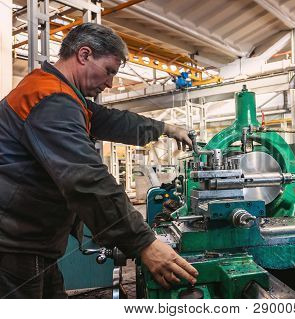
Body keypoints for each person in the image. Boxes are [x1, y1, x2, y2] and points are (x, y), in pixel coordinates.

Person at [0, 23, 198, 298]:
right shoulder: (50, 100)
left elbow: (112, 120)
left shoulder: (61, 93)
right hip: (13, 247)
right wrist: (144, 244)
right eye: (109, 71)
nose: (110, 83)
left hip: (31, 242)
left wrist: (166, 129)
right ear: (84, 55)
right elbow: (86, 180)